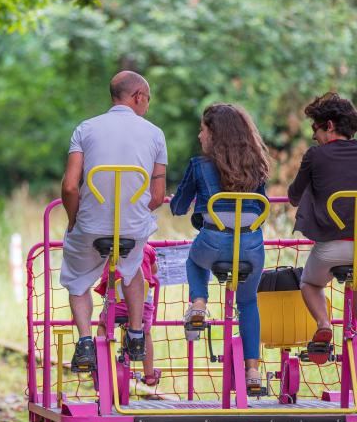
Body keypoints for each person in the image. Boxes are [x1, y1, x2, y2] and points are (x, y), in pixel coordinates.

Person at [60, 71, 167, 372]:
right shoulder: (155, 134)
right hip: (132, 228)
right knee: (133, 268)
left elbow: (69, 187)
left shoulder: (85, 128)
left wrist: (73, 222)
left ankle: (83, 342)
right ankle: (135, 333)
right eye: (147, 98)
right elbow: (157, 196)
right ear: (137, 97)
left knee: (78, 279)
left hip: (90, 226)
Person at [170, 104, 270, 390]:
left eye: (203, 130)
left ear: (214, 134)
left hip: (213, 240)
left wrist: (181, 201)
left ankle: (199, 303)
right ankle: (252, 373)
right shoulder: (257, 164)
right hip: (251, 244)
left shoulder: (199, 165)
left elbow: (178, 207)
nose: (200, 136)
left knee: (194, 261)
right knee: (249, 302)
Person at [288, 92, 357, 363]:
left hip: (332, 248)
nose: (314, 136)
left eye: (314, 129)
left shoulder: (315, 156)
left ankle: (324, 324)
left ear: (328, 126)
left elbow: (294, 195)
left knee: (309, 283)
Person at [95, 243, 160, 384]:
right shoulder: (147, 248)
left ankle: (106, 365)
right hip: (142, 305)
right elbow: (154, 270)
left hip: (117, 304)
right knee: (146, 332)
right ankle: (149, 374)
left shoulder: (109, 247)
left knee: (103, 326)